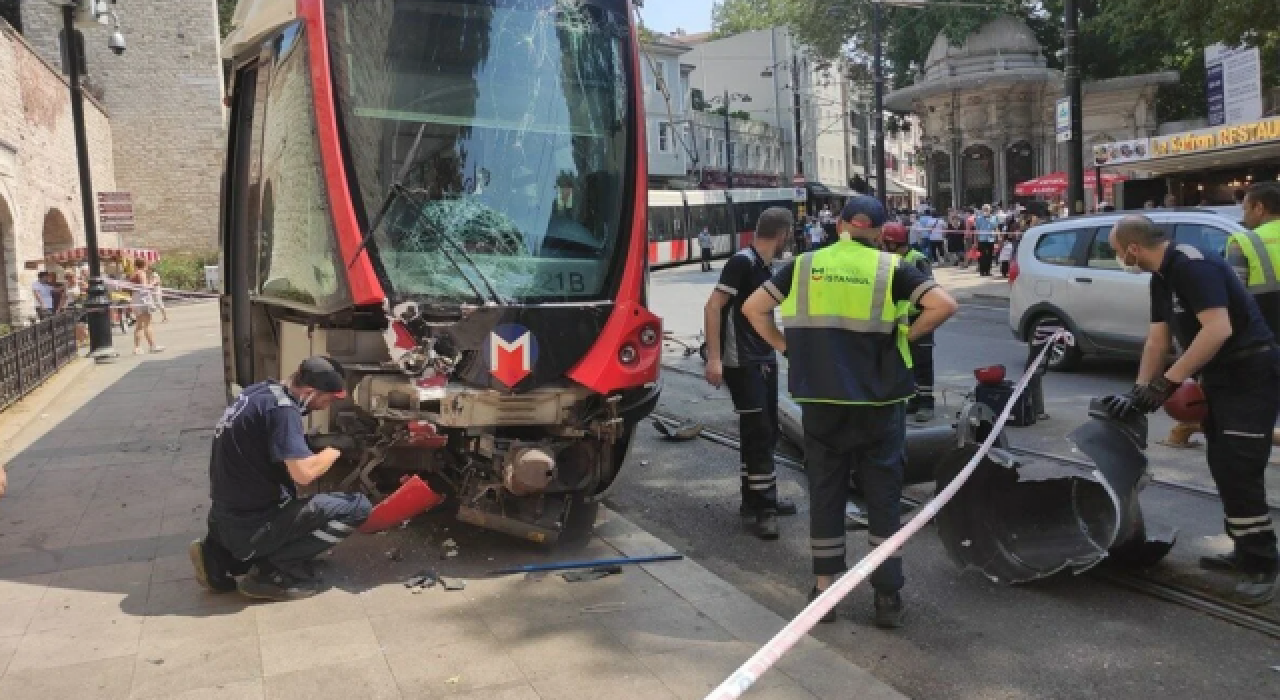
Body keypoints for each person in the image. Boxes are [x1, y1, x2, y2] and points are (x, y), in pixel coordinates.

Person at [741, 195, 958, 628]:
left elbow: (753, 309)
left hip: (821, 402)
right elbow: (945, 305)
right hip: (879, 404)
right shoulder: (891, 268)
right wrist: (905, 338)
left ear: (840, 225)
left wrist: (787, 349)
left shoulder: (804, 266)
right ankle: (886, 595)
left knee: (825, 492)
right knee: (883, 497)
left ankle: (825, 590)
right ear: (878, 231)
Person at [1098, 215, 1278, 605]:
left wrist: (1169, 383)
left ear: (1132, 248)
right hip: (1222, 379)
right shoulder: (1160, 277)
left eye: (1115, 250)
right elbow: (1157, 341)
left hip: (1251, 376)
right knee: (1224, 465)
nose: (1117, 257)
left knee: (1239, 468)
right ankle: (1245, 549)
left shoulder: (1192, 267)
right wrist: (1139, 392)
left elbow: (1218, 329)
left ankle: (1262, 564)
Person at [192, 356, 372, 601]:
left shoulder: (259, 392)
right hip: (253, 525)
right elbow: (304, 474)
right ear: (309, 391)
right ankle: (272, 572)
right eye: (326, 399)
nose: (326, 406)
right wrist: (335, 450)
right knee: (357, 507)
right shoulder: (283, 411)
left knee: (289, 499)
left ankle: (216, 556)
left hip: (225, 520)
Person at [704, 208, 799, 540]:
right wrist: (714, 359)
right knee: (759, 431)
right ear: (783, 233)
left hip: (761, 358)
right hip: (741, 360)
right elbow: (713, 306)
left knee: (766, 429)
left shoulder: (763, 266)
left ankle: (756, 499)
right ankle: (764, 508)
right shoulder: (742, 262)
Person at [881, 222, 938, 423]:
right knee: (907, 361)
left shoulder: (917, 260)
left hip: (919, 317)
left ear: (892, 244)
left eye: (884, 243)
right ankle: (914, 399)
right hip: (901, 318)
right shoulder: (893, 260)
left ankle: (926, 403)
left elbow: (929, 290)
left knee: (922, 361)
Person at [1228, 181, 1280, 337]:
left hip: (1267, 331)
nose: (1244, 216)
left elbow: (1235, 296)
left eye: (1245, 209)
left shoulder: (1243, 242)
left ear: (1259, 208)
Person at [129, 260, 164, 355]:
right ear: (144, 265)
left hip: (135, 299)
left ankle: (137, 348)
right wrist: (153, 282)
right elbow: (144, 288)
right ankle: (152, 346)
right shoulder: (141, 273)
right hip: (142, 300)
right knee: (147, 323)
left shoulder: (134, 274)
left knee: (139, 325)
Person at [975, 204, 997, 276]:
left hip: (991, 239)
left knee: (990, 255)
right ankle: (982, 271)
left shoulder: (994, 218)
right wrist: (975, 241)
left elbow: (995, 228)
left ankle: (988, 271)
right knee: (982, 255)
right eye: (984, 209)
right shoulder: (978, 219)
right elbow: (976, 230)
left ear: (990, 210)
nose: (986, 211)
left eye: (987, 209)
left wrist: (998, 237)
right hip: (982, 239)